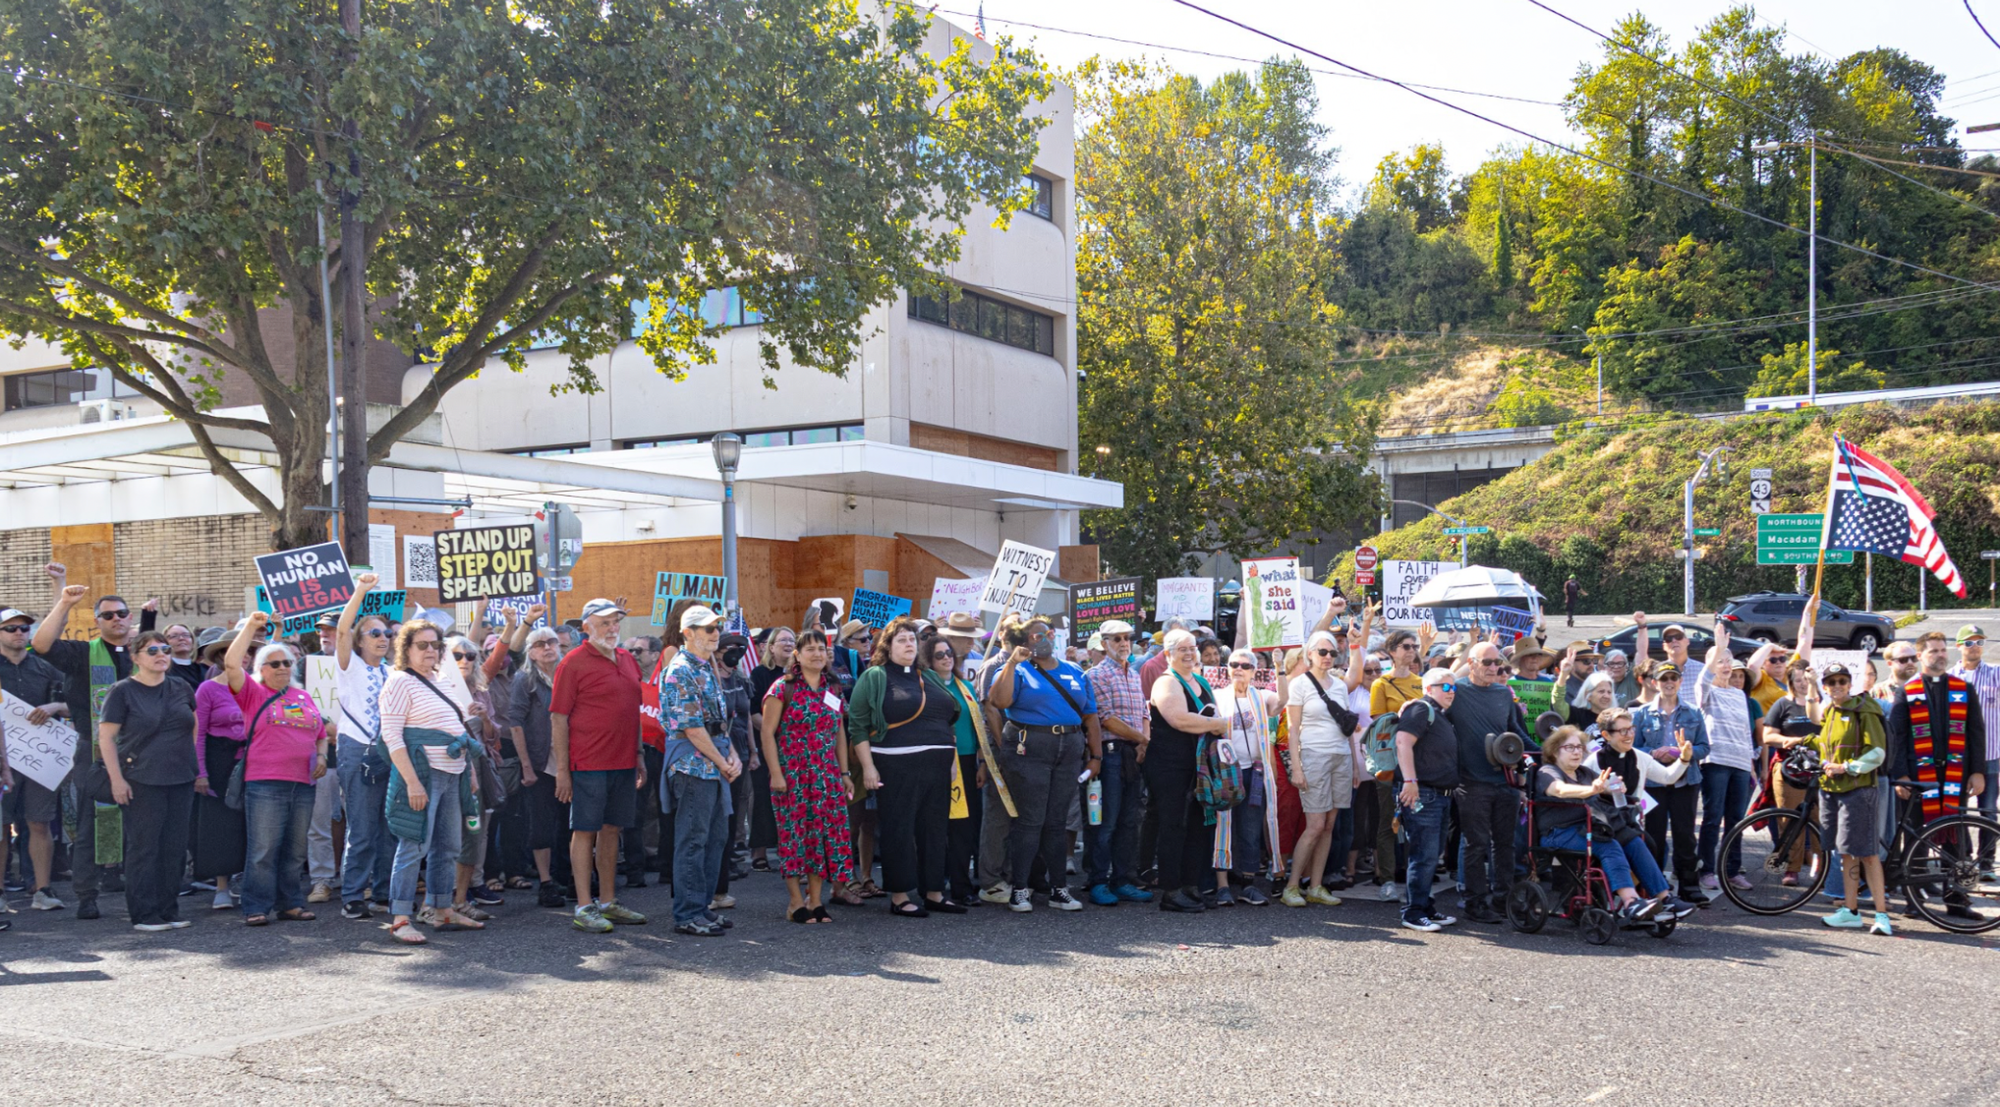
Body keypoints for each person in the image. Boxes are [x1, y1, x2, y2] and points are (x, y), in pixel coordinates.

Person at [31, 565, 140, 921]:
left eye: (121, 613)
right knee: (91, 823)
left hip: (140, 752)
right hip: (92, 750)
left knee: (142, 823)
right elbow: (42, 644)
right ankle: (86, 895)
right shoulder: (82, 654)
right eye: (107, 615)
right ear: (98, 622)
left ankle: (138, 888)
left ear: (130, 617)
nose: (116, 619)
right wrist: (63, 601)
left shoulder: (146, 655)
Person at [847, 618, 964, 917]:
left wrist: (950, 761)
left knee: (935, 829)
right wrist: (869, 768)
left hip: (937, 766)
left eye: (912, 639)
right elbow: (858, 726)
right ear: (887, 646)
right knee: (899, 829)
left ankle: (934, 892)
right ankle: (900, 896)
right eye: (901, 640)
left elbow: (947, 720)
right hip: (896, 766)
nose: (909, 644)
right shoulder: (875, 676)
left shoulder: (931, 677)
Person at [380, 619, 485, 944]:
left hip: (453, 772)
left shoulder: (443, 681)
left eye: (436, 645)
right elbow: (392, 736)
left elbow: (458, 729)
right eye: (422, 645)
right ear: (406, 649)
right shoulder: (398, 682)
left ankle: (441, 909)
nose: (430, 650)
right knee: (413, 845)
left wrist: (469, 772)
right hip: (421, 774)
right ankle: (400, 919)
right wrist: (412, 783)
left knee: (449, 845)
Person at [988, 616, 1102, 913]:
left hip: (1070, 748)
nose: (1045, 638)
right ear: (1024, 642)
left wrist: (1096, 755)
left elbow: (1090, 716)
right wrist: (1012, 663)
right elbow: (998, 701)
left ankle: (1059, 889)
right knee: (1030, 820)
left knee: (1056, 821)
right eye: (1036, 636)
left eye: (1048, 633)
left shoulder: (1076, 670)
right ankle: (1020, 889)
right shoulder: (1017, 669)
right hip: (1030, 748)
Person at [222, 614, 329, 926]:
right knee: (264, 850)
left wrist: (321, 757)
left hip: (304, 783)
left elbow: (320, 734)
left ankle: (290, 903)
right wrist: (251, 629)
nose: (283, 667)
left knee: (295, 851)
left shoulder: (303, 696)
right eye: (275, 663)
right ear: (261, 669)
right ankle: (256, 905)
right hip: (265, 782)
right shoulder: (252, 693)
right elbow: (231, 664)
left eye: (287, 663)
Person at [550, 598, 648, 934]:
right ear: (586, 626)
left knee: (611, 830)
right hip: (588, 761)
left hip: (623, 760)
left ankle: (607, 902)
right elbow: (559, 719)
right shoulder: (572, 663)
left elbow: (632, 711)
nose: (611, 628)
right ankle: (583, 905)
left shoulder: (625, 658)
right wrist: (563, 771)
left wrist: (638, 755)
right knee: (585, 830)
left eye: (615, 621)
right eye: (604, 622)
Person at [95, 630, 198, 931]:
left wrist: (194, 765)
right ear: (135, 657)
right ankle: (144, 913)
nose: (161, 654)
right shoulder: (123, 691)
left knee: (174, 846)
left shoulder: (181, 686)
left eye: (165, 649)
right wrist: (116, 780)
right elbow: (107, 738)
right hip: (141, 779)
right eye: (152, 651)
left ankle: (169, 909)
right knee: (145, 846)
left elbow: (192, 725)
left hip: (181, 778)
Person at [1887, 630, 1989, 922]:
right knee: (1917, 837)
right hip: (1920, 777)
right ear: (1920, 656)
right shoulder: (1908, 690)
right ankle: (1913, 899)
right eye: (1933, 651)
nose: (1940, 655)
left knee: (1956, 840)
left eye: (1943, 650)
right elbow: (1897, 736)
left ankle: (1957, 900)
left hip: (1956, 775)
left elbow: (1976, 732)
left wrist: (1978, 772)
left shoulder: (1963, 688)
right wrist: (1901, 775)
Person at [760, 630, 855, 922]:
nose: (816, 654)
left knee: (823, 838)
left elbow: (839, 731)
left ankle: (816, 900)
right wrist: (776, 773)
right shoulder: (782, 688)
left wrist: (844, 772)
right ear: (797, 655)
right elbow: (766, 733)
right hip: (793, 775)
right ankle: (795, 901)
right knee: (794, 836)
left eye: (821, 649)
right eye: (809, 649)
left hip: (826, 775)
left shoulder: (834, 688)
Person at [1534, 726, 1672, 923]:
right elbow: (1559, 790)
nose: (1576, 752)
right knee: (1609, 845)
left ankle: (1665, 897)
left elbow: (1603, 787)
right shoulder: (1547, 771)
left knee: (1633, 841)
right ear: (1555, 751)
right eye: (1570, 747)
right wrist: (1591, 790)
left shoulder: (1584, 772)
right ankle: (1631, 902)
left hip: (1587, 829)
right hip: (1559, 832)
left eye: (1579, 747)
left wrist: (1614, 788)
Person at [658, 604, 739, 937]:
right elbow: (692, 727)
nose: (715, 633)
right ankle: (687, 913)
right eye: (707, 629)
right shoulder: (680, 670)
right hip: (693, 765)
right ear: (688, 633)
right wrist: (723, 762)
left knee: (715, 838)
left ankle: (701, 907)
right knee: (693, 840)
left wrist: (730, 754)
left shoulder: (707, 667)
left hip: (714, 761)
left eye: (716, 627)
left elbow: (720, 722)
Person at [1282, 618, 1371, 909]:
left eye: (1332, 652)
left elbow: (1346, 726)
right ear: (1309, 654)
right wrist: (1296, 766)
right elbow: (1293, 729)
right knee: (1315, 824)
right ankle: (1292, 885)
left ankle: (1316, 886)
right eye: (1322, 651)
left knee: (1330, 825)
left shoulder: (1339, 686)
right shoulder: (1299, 684)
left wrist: (1355, 766)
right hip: (1314, 755)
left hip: (1341, 758)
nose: (1328, 657)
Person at [1446, 640, 1530, 924]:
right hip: (1471, 782)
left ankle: (1502, 898)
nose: (1494, 668)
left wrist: (1550, 752)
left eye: (1499, 664)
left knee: (1506, 844)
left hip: (1504, 781)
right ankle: (1475, 902)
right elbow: (1429, 698)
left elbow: (1515, 733)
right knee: (1476, 844)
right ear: (1471, 664)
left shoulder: (1504, 693)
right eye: (1488, 663)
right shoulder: (1456, 691)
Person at [328, 574, 396, 919]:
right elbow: (342, 629)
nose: (383, 637)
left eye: (387, 633)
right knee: (362, 825)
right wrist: (360, 591)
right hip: (357, 750)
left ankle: (383, 892)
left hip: (389, 754)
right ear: (360, 641)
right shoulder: (349, 665)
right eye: (374, 633)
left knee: (389, 827)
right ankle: (353, 894)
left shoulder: (392, 672)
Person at [1146, 628, 1227, 912]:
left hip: (1198, 767)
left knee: (1199, 826)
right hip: (1170, 766)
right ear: (1167, 654)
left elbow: (1210, 714)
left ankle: (1191, 886)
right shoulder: (1166, 682)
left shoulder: (1201, 680)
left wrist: (1217, 723)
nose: (1190, 654)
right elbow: (1179, 719)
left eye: (1192, 648)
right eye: (1182, 649)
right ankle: (1171, 891)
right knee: (1173, 826)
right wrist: (1217, 725)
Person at [1810, 663, 1894, 934]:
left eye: (1842, 681)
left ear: (1850, 683)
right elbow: (1827, 743)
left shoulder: (1864, 709)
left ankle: (1881, 916)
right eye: (1831, 682)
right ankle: (1851, 910)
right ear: (1825, 686)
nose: (1837, 686)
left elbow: (1877, 753)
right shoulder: (1830, 712)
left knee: (1868, 853)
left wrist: (1845, 768)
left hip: (1859, 790)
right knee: (1845, 852)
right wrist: (1800, 741)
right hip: (1834, 790)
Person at [0, 607, 70, 912]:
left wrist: (55, 705)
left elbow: (78, 701)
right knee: (1, 827)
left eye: (24, 629)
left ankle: (43, 890)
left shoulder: (44, 667)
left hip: (39, 760)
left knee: (39, 823)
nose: (19, 634)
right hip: (3, 761)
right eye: (11, 629)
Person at [1082, 619, 1151, 906]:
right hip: (1110, 753)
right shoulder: (1097, 675)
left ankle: (1122, 879)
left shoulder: (1133, 675)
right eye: (1117, 638)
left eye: (1127, 638)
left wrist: (1143, 739)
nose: (1124, 643)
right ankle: (1098, 880)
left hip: (1133, 752)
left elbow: (1145, 711)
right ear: (1104, 643)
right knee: (1105, 821)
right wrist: (1142, 739)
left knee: (1129, 821)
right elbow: (1105, 718)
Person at [1632, 662, 1709, 901]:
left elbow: (1704, 747)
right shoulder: (1641, 713)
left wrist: (1681, 752)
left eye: (1673, 678)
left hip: (1685, 780)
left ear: (1679, 682)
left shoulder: (1693, 713)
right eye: (1664, 679)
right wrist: (1653, 753)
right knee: (1653, 834)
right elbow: (1633, 747)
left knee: (1684, 833)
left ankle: (1689, 885)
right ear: (1654, 683)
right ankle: (1654, 886)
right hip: (1654, 781)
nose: (1669, 683)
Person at [1393, 668, 1461, 932]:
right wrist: (1410, 782)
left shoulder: (1435, 712)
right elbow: (1402, 742)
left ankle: (1424, 905)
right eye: (1445, 687)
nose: (1451, 691)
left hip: (1438, 795)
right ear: (1429, 688)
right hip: (1424, 793)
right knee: (1423, 855)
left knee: (1431, 856)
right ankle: (1413, 912)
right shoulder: (1421, 709)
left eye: (1453, 687)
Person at [1366, 626, 1430, 902]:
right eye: (1406, 646)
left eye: (1414, 646)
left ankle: (1415, 881)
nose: (1411, 650)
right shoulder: (1381, 684)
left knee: (1419, 821)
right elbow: (1379, 724)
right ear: (1392, 652)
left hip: (1420, 760)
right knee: (1388, 822)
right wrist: (1404, 713)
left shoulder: (1421, 682)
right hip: (1390, 761)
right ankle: (1388, 879)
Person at [444, 634, 504, 920]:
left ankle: (465, 892)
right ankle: (443, 896)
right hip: (446, 766)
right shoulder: (437, 688)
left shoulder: (481, 692)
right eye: (457, 656)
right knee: (446, 832)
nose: (464, 661)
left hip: (478, 769)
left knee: (474, 830)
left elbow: (493, 738)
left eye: (469, 656)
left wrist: (486, 719)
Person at [506, 626, 567, 906]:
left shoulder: (569, 674)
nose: (547, 648)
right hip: (541, 764)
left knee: (570, 824)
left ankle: (568, 877)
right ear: (530, 652)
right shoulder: (524, 679)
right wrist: (527, 767)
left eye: (551, 642)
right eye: (539, 644)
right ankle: (545, 882)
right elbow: (515, 723)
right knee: (542, 825)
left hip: (570, 761)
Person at [1214, 647, 1279, 906]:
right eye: (1233, 664)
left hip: (1253, 771)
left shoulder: (1262, 697)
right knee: (1223, 826)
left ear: (1254, 671)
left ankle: (1247, 884)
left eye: (1244, 665)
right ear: (1227, 668)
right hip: (1226, 771)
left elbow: (1282, 703)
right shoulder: (1217, 696)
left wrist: (1280, 668)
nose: (1238, 668)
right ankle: (1222, 886)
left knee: (1250, 829)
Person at [1694, 637, 1757, 894]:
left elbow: (1745, 731)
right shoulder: (1707, 691)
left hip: (1740, 762)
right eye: (1721, 660)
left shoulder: (1740, 694)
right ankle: (1706, 869)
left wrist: (1751, 764)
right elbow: (1702, 681)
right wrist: (1717, 648)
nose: (1726, 665)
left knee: (1736, 820)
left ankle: (1731, 871)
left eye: (1729, 660)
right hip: (1716, 761)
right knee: (1712, 817)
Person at [930, 633, 987, 907]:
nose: (946, 658)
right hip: (936, 761)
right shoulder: (925, 685)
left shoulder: (965, 686)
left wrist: (982, 762)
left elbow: (978, 727)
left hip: (965, 762)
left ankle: (962, 886)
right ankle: (933, 882)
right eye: (939, 655)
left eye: (949, 653)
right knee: (936, 826)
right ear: (929, 660)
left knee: (964, 827)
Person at [1761, 659, 1823, 886]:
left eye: (1806, 680)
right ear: (1790, 682)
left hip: (1818, 769)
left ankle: (1826, 870)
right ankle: (1792, 868)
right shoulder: (1782, 704)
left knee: (1821, 820)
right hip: (1790, 769)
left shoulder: (1821, 703)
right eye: (1798, 680)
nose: (1802, 684)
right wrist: (1795, 741)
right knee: (1790, 819)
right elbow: (1768, 737)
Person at [1948, 625, 2000, 879]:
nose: (1975, 646)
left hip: (1990, 754)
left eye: (1979, 641)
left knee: (1988, 809)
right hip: (1958, 756)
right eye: (1968, 642)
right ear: (1958, 646)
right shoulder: (1950, 677)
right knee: (1957, 810)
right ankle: (1963, 857)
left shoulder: (1996, 674)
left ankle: (1987, 861)